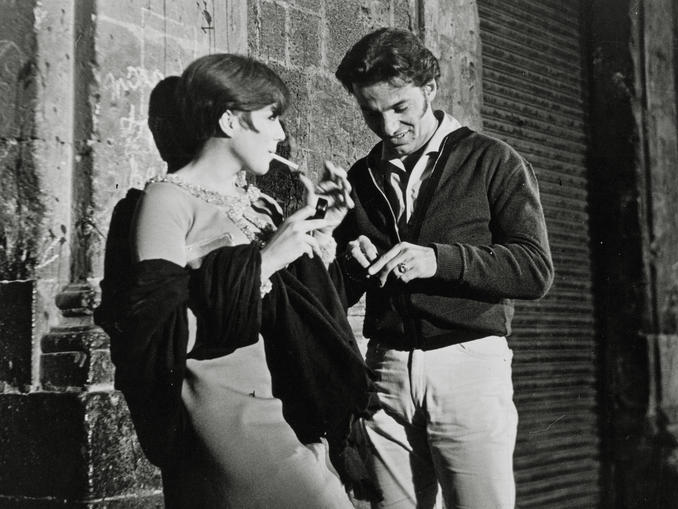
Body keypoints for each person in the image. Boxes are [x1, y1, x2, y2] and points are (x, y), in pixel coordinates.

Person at [95, 54, 379, 508]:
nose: (280, 135)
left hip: (292, 411)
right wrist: (265, 262)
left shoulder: (261, 204)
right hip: (229, 420)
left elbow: (304, 314)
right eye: (270, 118)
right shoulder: (166, 201)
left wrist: (323, 233)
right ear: (229, 120)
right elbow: (157, 335)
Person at [333, 28, 554, 509]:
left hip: (468, 364)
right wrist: (350, 263)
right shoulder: (360, 176)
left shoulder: (492, 159)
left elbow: (535, 269)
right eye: (372, 112)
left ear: (430, 89)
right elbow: (341, 293)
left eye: (400, 108)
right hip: (386, 370)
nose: (388, 127)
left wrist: (439, 259)